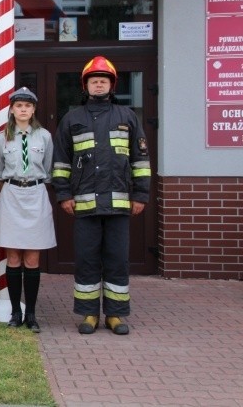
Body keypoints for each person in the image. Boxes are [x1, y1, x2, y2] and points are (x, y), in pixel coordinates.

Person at [52, 56, 151, 335]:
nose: (98, 84)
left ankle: (116, 315)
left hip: (119, 206)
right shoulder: (72, 119)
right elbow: (61, 161)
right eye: (94, 80)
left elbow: (141, 160)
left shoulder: (127, 117)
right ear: (86, 86)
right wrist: (63, 195)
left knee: (118, 259)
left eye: (103, 80)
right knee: (86, 260)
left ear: (111, 85)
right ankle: (88, 314)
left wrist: (141, 195)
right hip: (84, 206)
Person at [0, 87, 56, 333]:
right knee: (14, 257)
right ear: (12, 109)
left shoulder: (45, 137)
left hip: (36, 194)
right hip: (11, 195)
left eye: (28, 106)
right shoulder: (1, 137)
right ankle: (16, 312)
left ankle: (32, 313)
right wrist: (10, 189)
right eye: (19, 106)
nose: (23, 109)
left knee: (32, 258)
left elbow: (48, 170)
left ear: (34, 109)